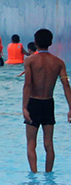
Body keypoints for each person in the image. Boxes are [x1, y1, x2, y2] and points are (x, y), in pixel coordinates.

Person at [23, 28, 71, 172]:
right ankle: (49, 174)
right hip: (48, 103)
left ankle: (34, 173)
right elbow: (66, 85)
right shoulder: (58, 62)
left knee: (31, 143)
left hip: (33, 102)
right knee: (48, 143)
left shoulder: (30, 61)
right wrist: (70, 108)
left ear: (35, 42)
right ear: (50, 43)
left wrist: (24, 107)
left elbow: (28, 85)